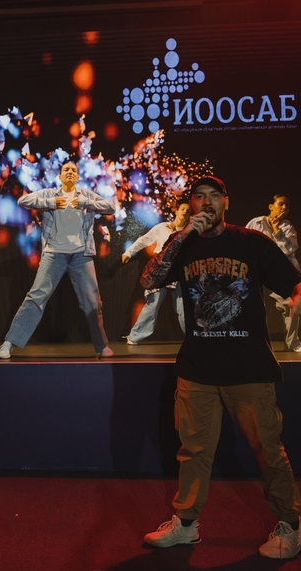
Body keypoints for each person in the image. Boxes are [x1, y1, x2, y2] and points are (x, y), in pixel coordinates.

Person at [141, 176, 301, 559]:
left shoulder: (251, 242)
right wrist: (182, 235)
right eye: (200, 197)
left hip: (249, 368)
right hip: (198, 368)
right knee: (193, 450)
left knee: (268, 449)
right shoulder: (183, 243)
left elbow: (292, 283)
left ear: (226, 202)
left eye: (215, 196)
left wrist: (297, 300)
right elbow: (150, 278)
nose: (207, 202)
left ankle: (291, 525)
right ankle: (186, 525)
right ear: (192, 204)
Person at [0, 160, 115, 359]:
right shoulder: (49, 194)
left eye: (73, 170)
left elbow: (110, 208)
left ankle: (101, 346)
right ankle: (9, 343)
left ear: (77, 177)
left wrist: (86, 203)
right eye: (66, 169)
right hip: (54, 253)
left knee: (93, 302)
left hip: (81, 255)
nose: (70, 172)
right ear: (60, 176)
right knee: (36, 297)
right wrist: (49, 203)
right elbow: (22, 201)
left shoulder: (86, 195)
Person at [122, 201, 190, 344]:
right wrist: (129, 251)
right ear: (176, 211)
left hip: (178, 271)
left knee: (183, 306)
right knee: (153, 303)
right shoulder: (162, 227)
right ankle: (134, 337)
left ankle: (192, 337)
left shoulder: (189, 232)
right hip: (160, 271)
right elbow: (144, 239)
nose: (185, 212)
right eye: (183, 209)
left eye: (188, 210)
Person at [246, 195, 301, 352]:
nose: (284, 208)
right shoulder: (255, 223)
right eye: (281, 204)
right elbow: (245, 244)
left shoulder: (287, 227)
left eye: (287, 206)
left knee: (292, 304)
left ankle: (292, 343)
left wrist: (277, 230)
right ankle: (256, 344)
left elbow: (288, 250)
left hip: (278, 275)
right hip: (257, 274)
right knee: (254, 308)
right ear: (271, 206)